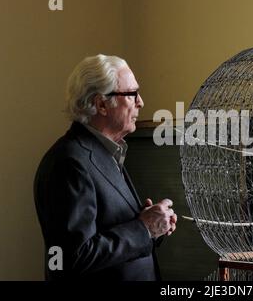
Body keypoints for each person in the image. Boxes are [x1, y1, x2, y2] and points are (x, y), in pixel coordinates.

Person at [34, 54, 177, 280]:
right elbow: (72, 258)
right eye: (132, 94)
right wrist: (143, 228)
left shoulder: (107, 152)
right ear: (101, 104)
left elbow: (111, 229)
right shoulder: (68, 162)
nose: (141, 102)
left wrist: (153, 226)